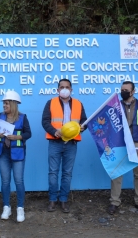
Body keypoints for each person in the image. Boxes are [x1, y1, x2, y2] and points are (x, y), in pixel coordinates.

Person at [107, 81, 138, 216]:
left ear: (133, 91)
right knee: (117, 173)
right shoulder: (116, 106)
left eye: (126, 90)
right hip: (120, 144)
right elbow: (110, 127)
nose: (123, 92)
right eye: (122, 90)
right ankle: (114, 202)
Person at [42, 79, 87, 213]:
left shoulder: (78, 104)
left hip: (71, 143)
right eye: (62, 87)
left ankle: (63, 200)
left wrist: (83, 127)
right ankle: (52, 199)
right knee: (53, 172)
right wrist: (54, 131)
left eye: (67, 87)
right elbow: (45, 121)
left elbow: (84, 121)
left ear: (71, 89)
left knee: (67, 173)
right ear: (58, 90)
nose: (64, 89)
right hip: (55, 142)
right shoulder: (51, 103)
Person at [0, 91, 31, 223]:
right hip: (3, 153)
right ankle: (6, 207)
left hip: (18, 153)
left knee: (19, 181)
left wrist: (17, 137)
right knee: (5, 181)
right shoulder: (0, 116)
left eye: (6, 103)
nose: (4, 105)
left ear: (13, 104)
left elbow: (28, 134)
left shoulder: (23, 117)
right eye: (3, 103)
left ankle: (20, 208)